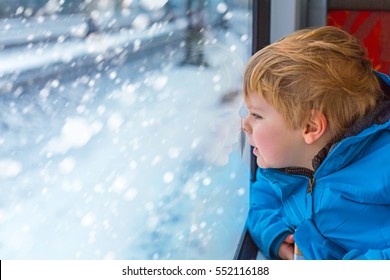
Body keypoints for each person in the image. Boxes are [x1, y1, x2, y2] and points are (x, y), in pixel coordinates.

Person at [241, 26, 390, 260]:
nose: (244, 124)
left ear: (310, 127)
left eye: (256, 115)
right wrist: (276, 237)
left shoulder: (383, 164)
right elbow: (260, 201)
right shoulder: (284, 166)